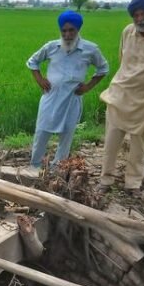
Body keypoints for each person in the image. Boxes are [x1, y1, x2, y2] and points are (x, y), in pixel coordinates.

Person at [99, 0, 144, 194]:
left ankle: (133, 184)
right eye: (136, 15)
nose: (140, 19)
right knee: (111, 141)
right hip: (120, 94)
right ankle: (105, 180)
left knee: (139, 144)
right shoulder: (128, 32)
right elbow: (123, 61)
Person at [26, 10, 110, 170]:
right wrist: (39, 79)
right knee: (42, 132)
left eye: (71, 30)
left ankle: (58, 167)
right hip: (50, 97)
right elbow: (33, 62)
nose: (67, 34)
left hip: (72, 99)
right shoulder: (51, 47)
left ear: (78, 30)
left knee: (67, 135)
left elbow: (103, 68)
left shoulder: (90, 49)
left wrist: (88, 86)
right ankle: (34, 166)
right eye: (64, 30)